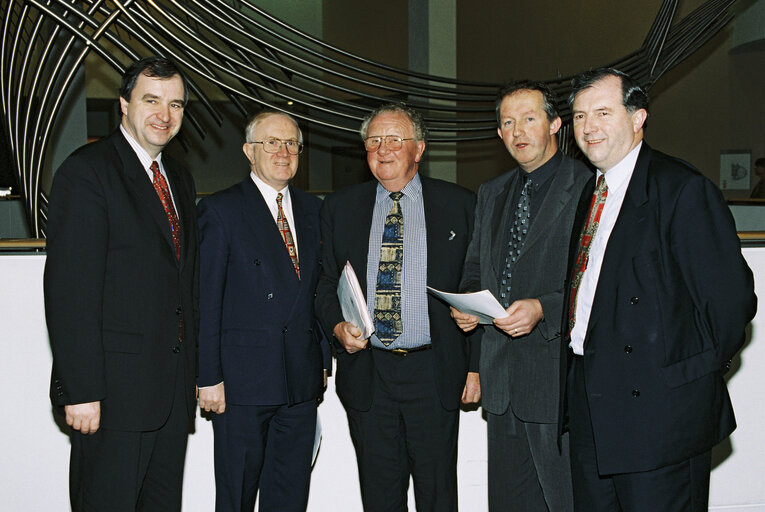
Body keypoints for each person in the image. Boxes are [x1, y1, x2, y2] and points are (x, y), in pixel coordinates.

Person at [563, 67, 757, 511]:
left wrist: (683, 380)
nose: (588, 127)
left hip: (661, 418)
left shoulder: (681, 189)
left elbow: (731, 303)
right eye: (578, 116)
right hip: (592, 409)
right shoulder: (590, 195)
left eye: (602, 112)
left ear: (638, 118)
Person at [44, 56, 198, 511]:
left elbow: (181, 286)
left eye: (175, 105)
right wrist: (82, 389)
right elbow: (71, 292)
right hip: (111, 396)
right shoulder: (87, 172)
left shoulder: (180, 179)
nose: (164, 115)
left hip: (168, 395)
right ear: (123, 104)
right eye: (151, 100)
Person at [315, 103, 480, 511]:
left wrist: (475, 365)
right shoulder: (339, 208)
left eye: (395, 139)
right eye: (374, 141)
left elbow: (476, 285)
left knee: (438, 494)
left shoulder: (460, 204)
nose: (383, 149)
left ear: (419, 149)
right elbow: (322, 283)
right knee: (379, 495)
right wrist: (337, 328)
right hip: (370, 373)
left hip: (435, 371)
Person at [452, 80, 590, 511]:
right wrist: (465, 306)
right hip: (501, 380)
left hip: (557, 379)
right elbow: (476, 268)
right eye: (508, 123)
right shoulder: (492, 192)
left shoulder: (588, 186)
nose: (518, 131)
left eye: (529, 119)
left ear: (555, 124)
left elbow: (596, 282)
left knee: (566, 500)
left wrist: (544, 308)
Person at [196, 110, 330, 512]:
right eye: (271, 142)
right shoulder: (220, 210)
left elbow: (319, 289)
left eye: (292, 144)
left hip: (300, 383)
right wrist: (208, 376)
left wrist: (322, 359)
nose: (283, 152)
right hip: (240, 385)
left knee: (289, 497)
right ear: (248, 152)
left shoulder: (314, 210)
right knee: (236, 496)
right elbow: (206, 299)